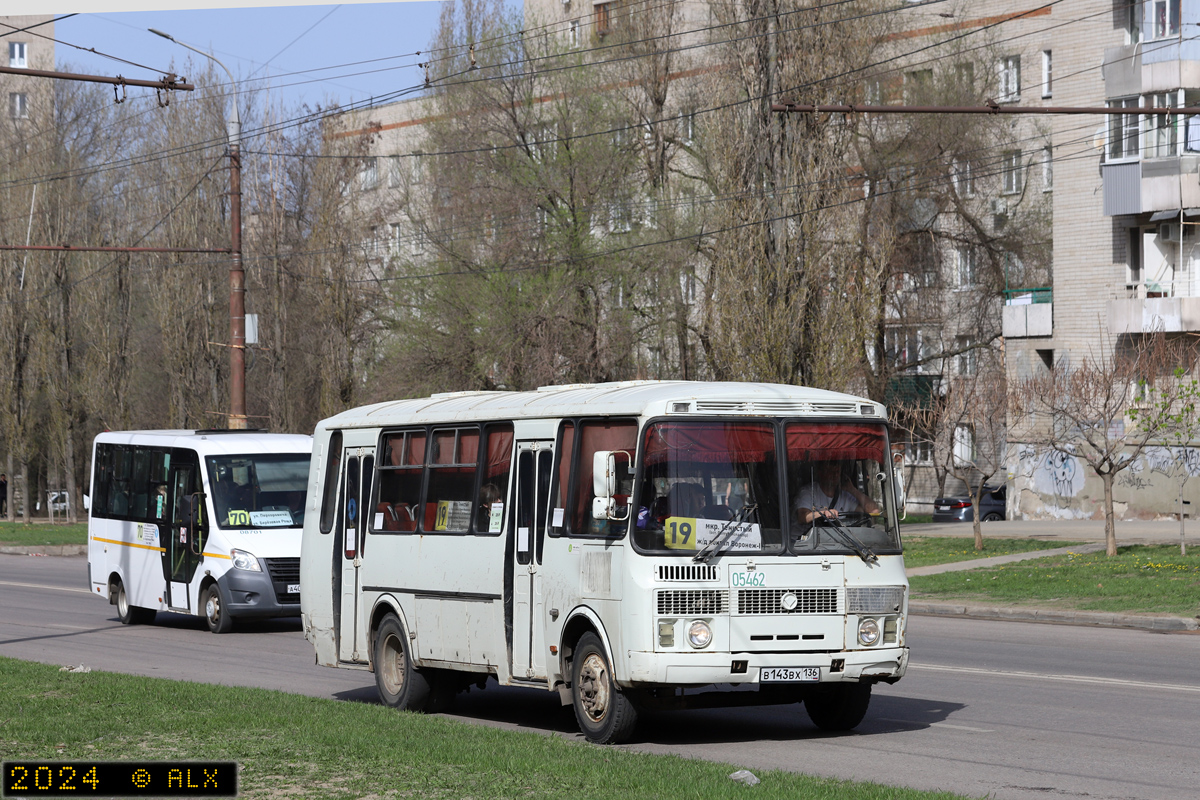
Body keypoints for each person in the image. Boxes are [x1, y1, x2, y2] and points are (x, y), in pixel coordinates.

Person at [793, 460, 879, 525]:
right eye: (830, 472)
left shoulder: (845, 495)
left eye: (837, 472)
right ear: (820, 473)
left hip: (835, 542)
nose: (834, 475)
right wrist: (824, 513)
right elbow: (803, 517)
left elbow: (874, 511)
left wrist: (853, 490)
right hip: (805, 543)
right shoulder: (808, 491)